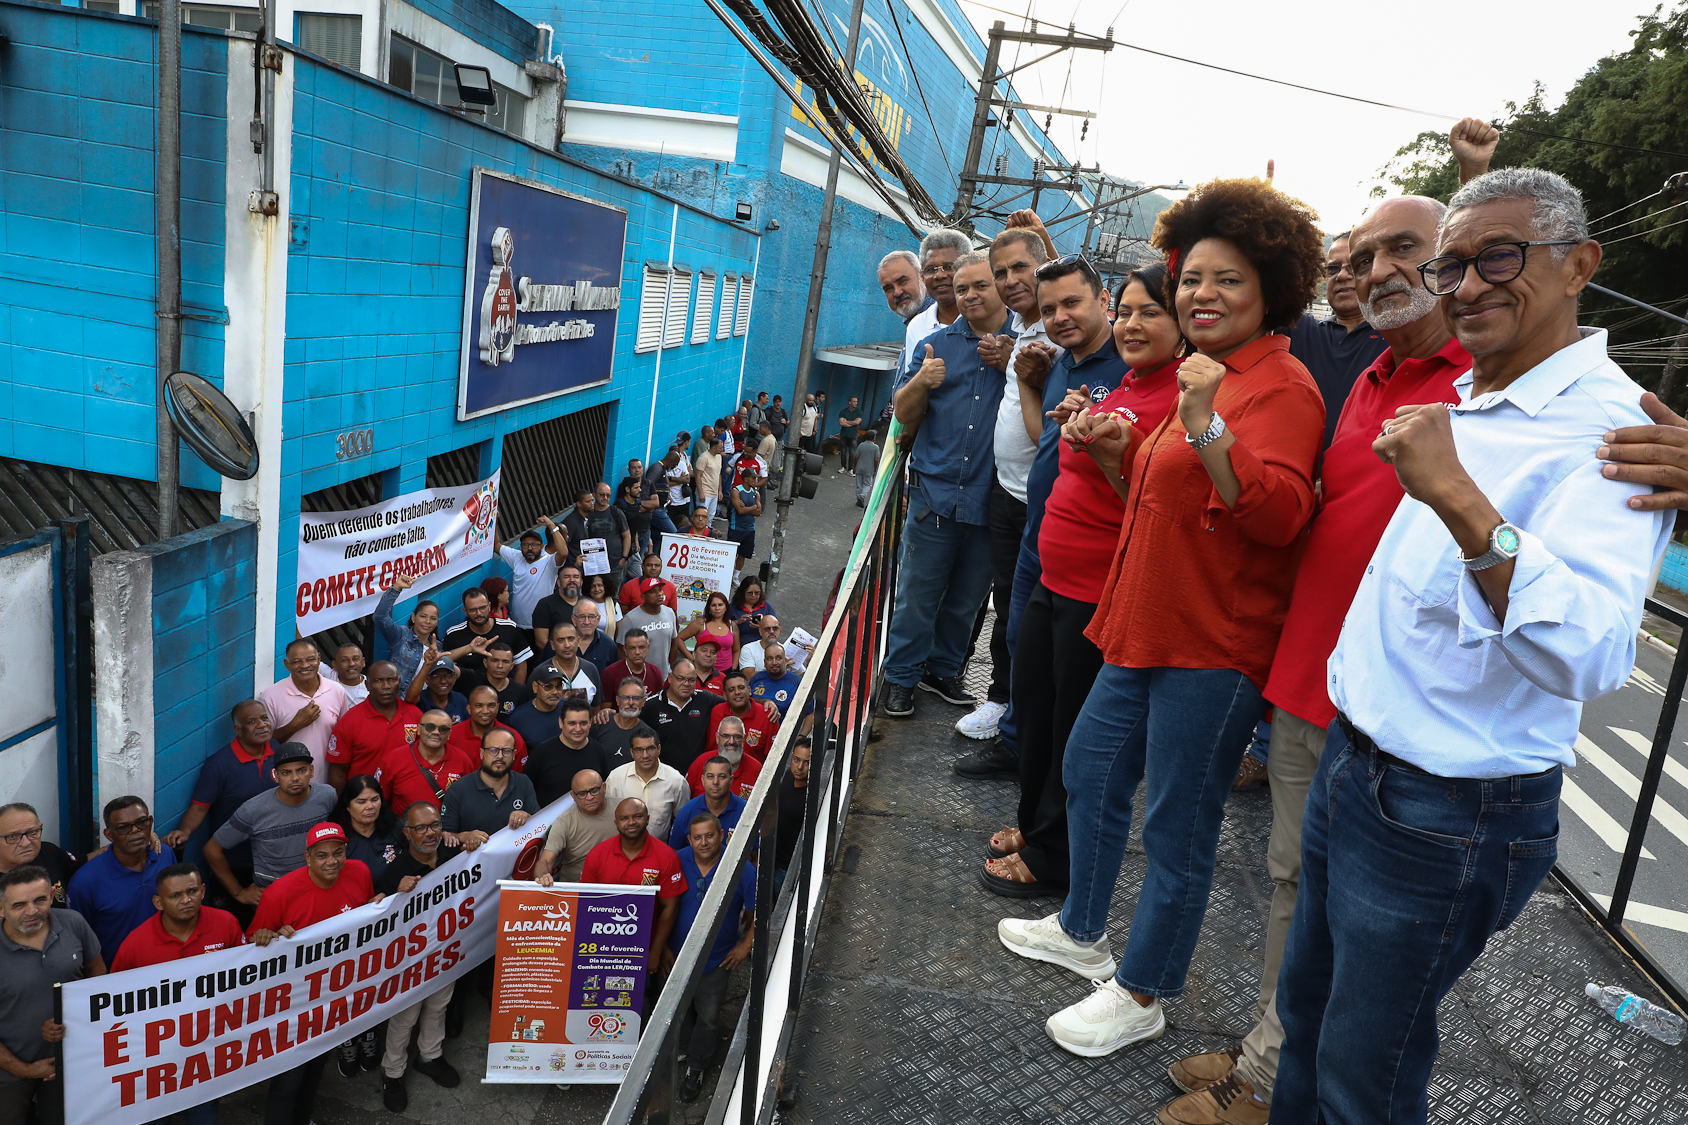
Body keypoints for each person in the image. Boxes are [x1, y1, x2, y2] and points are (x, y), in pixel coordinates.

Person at [1271, 168, 1672, 1125]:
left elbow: (1591, 655)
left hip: (1442, 813)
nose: (1470, 283)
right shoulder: (1467, 387)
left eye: (1501, 257)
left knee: (1364, 1074)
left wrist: (1458, 499)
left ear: (1581, 266)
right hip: (1354, 760)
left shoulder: (1611, 434)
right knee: (1306, 1018)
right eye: (1453, 266)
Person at [996, 178, 1327, 1060]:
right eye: (1191, 279)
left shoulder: (1279, 387)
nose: (1200, 296)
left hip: (1213, 646)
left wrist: (1207, 422)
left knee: (1178, 826)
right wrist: (1115, 455)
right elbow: (1158, 501)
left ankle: (1144, 989)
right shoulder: (1199, 378)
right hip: (1140, 623)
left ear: (1272, 289)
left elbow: (1282, 515)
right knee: (1087, 766)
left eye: (1227, 280)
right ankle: (1082, 930)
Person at [979, 263, 1183, 899]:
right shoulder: (1127, 382)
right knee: (1037, 711)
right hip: (1053, 572)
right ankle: (1032, 822)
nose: (1131, 324)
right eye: (1128, 312)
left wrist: (1103, 445)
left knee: (1072, 729)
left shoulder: (1181, 396)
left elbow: (1154, 504)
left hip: (1097, 588)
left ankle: (1056, 855)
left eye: (1150, 312)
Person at [882, 249, 1013, 718]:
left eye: (981, 285)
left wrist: (1014, 364)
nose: (971, 295)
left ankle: (943, 669)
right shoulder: (934, 346)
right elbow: (904, 415)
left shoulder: (1023, 346)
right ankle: (900, 679)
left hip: (990, 497)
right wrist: (921, 381)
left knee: (967, 600)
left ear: (999, 286)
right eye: (962, 289)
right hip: (933, 495)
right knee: (917, 595)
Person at [955, 219, 1050, 744]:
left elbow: (1069, 286)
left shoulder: (1055, 327)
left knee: (1028, 611)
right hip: (1006, 491)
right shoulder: (1021, 328)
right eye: (1001, 272)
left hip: (1042, 498)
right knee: (1007, 601)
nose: (1011, 280)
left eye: (1021, 268)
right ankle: (1002, 699)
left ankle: (1020, 714)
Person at [247, 823, 383, 1125]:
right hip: (293, 1002)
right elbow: (251, 945)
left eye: (338, 853)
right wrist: (269, 936)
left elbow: (367, 915)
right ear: (307, 858)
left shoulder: (359, 872)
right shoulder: (279, 894)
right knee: (288, 1080)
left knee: (316, 1067)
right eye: (322, 855)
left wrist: (380, 906)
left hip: (336, 995)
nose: (331, 861)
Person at [372, 802, 461, 1112]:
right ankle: (392, 1072)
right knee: (404, 1019)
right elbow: (377, 920)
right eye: (420, 828)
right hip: (409, 961)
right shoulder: (394, 873)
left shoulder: (453, 854)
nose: (429, 833)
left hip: (446, 953)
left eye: (435, 825)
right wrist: (396, 894)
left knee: (438, 1007)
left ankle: (430, 1056)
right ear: (406, 833)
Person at [0, 866, 105, 1125]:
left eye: (40, 900)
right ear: (0, 909)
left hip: (72, 1061)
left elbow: (98, 975)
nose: (32, 911)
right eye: (19, 905)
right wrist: (23, 1069)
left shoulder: (73, 922)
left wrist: (80, 1024)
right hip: (7, 1072)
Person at [670, 812, 755, 1101]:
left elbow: (760, 912)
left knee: (708, 1017)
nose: (704, 842)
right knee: (677, 1011)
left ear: (721, 835)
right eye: (697, 837)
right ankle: (683, 1049)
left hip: (716, 961)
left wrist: (745, 946)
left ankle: (697, 1067)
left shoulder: (743, 869)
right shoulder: (675, 860)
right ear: (688, 839)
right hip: (676, 957)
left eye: (710, 835)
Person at [161, 701, 280, 895]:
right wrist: (184, 832)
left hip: (271, 858)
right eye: (251, 721)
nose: (261, 724)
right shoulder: (218, 765)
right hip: (233, 862)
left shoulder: (276, 748)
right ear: (238, 730)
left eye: (264, 718)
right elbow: (199, 807)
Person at [205, 744, 336, 908]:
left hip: (318, 891)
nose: (295, 778)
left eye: (301, 770)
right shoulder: (253, 810)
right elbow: (212, 850)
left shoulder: (327, 796)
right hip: (275, 899)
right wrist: (239, 892)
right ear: (275, 775)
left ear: (311, 770)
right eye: (286, 773)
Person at [579, 799, 685, 977]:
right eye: (624, 818)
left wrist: (656, 951)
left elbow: (670, 907)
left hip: (644, 947)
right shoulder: (598, 854)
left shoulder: (666, 856)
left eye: (637, 816)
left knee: (640, 1002)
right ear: (616, 823)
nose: (631, 823)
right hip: (601, 947)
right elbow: (586, 903)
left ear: (648, 818)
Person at [67, 796, 176, 964]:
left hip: (169, 966)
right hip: (118, 977)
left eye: (142, 823)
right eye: (123, 828)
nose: (135, 831)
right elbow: (77, 940)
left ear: (151, 822)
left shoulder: (165, 855)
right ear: (109, 834)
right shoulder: (85, 881)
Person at [109, 863, 243, 971]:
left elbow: (247, 969)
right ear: (159, 903)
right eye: (175, 895)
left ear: (202, 892)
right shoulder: (134, 945)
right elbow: (117, 993)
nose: (186, 900)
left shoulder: (226, 923)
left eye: (192, 891)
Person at [260, 639, 350, 784]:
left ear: (319, 659)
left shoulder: (336, 690)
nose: (305, 666)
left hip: (328, 782)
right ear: (286, 664)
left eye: (310, 659)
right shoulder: (271, 696)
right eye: (296, 661)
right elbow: (265, 744)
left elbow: (344, 736)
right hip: (290, 786)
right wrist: (294, 725)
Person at [326, 662, 420, 790]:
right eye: (378, 681)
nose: (386, 686)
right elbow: (338, 773)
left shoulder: (415, 715)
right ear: (367, 685)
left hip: (404, 801)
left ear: (399, 682)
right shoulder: (350, 721)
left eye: (391, 680)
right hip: (366, 803)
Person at [442, 728, 536, 850]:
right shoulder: (458, 789)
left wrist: (527, 817)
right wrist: (465, 836)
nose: (500, 756)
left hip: (516, 864)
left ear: (514, 755)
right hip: (475, 866)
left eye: (506, 751)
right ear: (481, 753)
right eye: (493, 750)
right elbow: (445, 834)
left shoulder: (524, 782)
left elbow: (538, 825)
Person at [377, 710, 476, 813]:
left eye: (443, 729)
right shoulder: (393, 760)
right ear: (418, 730)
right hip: (405, 828)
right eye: (430, 727)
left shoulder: (462, 760)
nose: (436, 732)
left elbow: (468, 802)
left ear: (449, 734)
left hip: (447, 827)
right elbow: (380, 802)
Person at [641, 659, 727, 773]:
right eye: (681, 678)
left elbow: (732, 704)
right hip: (661, 776)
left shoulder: (705, 699)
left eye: (691, 680)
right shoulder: (650, 705)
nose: (686, 684)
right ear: (670, 678)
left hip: (696, 775)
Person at [605, 729, 689, 844]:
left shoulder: (676, 781)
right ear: (631, 752)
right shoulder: (615, 778)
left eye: (650, 749)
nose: (645, 755)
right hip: (621, 850)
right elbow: (608, 816)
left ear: (658, 749)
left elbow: (682, 822)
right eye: (639, 750)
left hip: (659, 853)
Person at [534, 771, 618, 885]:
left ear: (604, 787)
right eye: (582, 793)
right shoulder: (564, 822)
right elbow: (545, 860)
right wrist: (543, 877)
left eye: (594, 791)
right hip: (576, 889)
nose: (589, 797)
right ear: (573, 796)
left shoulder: (622, 810)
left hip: (617, 886)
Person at [441, 586, 528, 690]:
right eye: (473, 610)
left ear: (489, 606)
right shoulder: (453, 634)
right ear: (465, 611)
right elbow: (443, 664)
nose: (479, 613)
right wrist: (469, 648)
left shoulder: (509, 628)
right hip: (467, 697)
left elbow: (521, 666)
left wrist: (515, 694)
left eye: (482, 608)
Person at [525, 699, 608, 807]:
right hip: (550, 822)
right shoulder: (541, 753)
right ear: (561, 722)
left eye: (583, 723)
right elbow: (526, 791)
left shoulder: (599, 751)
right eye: (572, 723)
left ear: (590, 722)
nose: (578, 729)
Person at [496, 516, 568, 633]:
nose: (529, 548)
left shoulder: (549, 562)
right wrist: (496, 520)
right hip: (518, 624)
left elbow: (564, 552)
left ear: (542, 546)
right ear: (521, 547)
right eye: (525, 545)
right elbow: (496, 546)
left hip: (542, 626)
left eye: (534, 544)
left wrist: (551, 525)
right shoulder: (517, 557)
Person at [374, 570, 442, 690]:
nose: (427, 621)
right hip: (398, 700)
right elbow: (379, 617)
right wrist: (396, 588)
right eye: (423, 616)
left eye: (433, 618)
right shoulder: (401, 635)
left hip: (422, 703)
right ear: (414, 617)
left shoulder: (437, 647)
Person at [0, 804, 77, 908]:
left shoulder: (49, 852)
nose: (26, 843)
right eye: (12, 836)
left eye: (32, 832)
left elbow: (85, 864)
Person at [330, 774, 400, 888]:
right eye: (361, 802)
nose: (370, 806)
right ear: (348, 806)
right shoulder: (337, 837)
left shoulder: (395, 827)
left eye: (375, 799)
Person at [667, 757, 748, 848]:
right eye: (710, 777)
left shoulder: (746, 812)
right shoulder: (686, 812)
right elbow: (675, 851)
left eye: (721, 777)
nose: (715, 782)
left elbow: (755, 855)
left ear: (731, 780)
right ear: (703, 780)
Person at [448, 684, 529, 770]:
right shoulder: (451, 735)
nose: (485, 711)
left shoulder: (513, 738)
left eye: (491, 705)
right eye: (479, 706)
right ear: (469, 709)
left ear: (497, 708)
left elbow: (518, 776)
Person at [709, 667, 779, 760]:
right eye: (731, 689)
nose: (737, 692)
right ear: (725, 696)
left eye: (741, 688)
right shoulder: (716, 712)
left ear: (749, 690)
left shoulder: (768, 716)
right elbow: (711, 749)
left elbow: (774, 757)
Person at [684, 716, 761, 799]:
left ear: (744, 739)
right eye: (726, 736)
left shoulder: (756, 769)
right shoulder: (700, 762)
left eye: (737, 737)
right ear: (717, 738)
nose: (731, 741)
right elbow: (685, 801)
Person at [618, 579, 682, 680]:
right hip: (639, 677)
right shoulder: (631, 618)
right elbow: (621, 648)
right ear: (643, 597)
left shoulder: (670, 613)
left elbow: (674, 642)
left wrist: (671, 668)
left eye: (660, 590)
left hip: (664, 676)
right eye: (653, 591)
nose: (659, 594)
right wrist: (630, 673)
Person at [531, 620, 603, 705]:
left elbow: (595, 709)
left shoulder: (591, 669)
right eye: (561, 640)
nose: (567, 645)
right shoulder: (539, 672)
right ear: (552, 645)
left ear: (578, 641)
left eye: (571, 639)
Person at [772, 738, 812, 889]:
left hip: (787, 867)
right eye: (796, 760)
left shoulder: (812, 796)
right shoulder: (789, 775)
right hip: (772, 858)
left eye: (807, 762)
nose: (800, 767)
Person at [749, 642, 811, 734]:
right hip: (753, 735)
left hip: (781, 738)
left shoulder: (797, 683)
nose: (774, 662)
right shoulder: (757, 678)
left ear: (785, 661)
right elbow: (747, 702)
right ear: (764, 662)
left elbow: (810, 713)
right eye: (770, 659)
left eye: (778, 658)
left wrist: (801, 736)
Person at [505, 664, 568, 749]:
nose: (554, 692)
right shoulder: (517, 718)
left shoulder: (570, 709)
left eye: (558, 686)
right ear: (535, 687)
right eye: (548, 687)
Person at [531, 564, 585, 660]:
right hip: (555, 661)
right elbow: (541, 641)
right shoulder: (545, 604)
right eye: (567, 577)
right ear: (559, 582)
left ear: (581, 582)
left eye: (576, 577)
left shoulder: (587, 604)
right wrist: (565, 658)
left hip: (584, 659)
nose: (572, 580)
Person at [679, 590, 739, 673]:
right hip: (700, 670)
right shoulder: (700, 623)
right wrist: (691, 658)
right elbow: (679, 638)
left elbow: (736, 650)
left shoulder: (732, 626)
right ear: (709, 608)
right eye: (713, 605)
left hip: (726, 672)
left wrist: (733, 670)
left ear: (726, 607)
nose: (717, 608)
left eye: (720, 605)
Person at [640, 449, 685, 556]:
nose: (675, 466)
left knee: (657, 536)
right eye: (676, 464)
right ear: (672, 461)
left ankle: (653, 557)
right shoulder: (657, 468)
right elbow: (647, 485)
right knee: (673, 534)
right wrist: (650, 505)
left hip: (661, 508)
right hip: (657, 511)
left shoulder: (662, 469)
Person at [597, 679, 650, 769]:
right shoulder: (601, 722)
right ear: (617, 700)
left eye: (636, 698)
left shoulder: (647, 735)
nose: (630, 703)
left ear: (643, 702)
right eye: (625, 698)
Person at [406, 652, 470, 722]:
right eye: (436, 676)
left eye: (448, 675)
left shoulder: (461, 700)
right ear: (426, 679)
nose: (443, 681)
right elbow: (410, 699)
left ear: (454, 678)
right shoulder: (421, 700)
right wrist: (427, 664)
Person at [481, 640, 532, 718]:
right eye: (495, 660)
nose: (500, 665)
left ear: (512, 666)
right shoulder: (472, 679)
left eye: (505, 662)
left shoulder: (520, 691)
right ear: (485, 663)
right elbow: (455, 670)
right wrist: (470, 648)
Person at [605, 629, 665, 696]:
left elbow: (658, 702)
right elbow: (606, 706)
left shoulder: (656, 672)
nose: (637, 652)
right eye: (632, 648)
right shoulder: (610, 673)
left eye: (641, 647)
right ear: (625, 649)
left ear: (648, 647)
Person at [727, 466, 763, 576]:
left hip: (750, 529)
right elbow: (739, 511)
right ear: (746, 479)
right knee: (731, 554)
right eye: (753, 478)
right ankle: (727, 574)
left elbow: (758, 512)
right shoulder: (736, 491)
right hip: (736, 528)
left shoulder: (756, 493)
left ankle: (735, 576)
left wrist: (747, 508)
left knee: (743, 555)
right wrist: (752, 507)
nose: (755, 481)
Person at [727, 575, 777, 649]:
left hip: (763, 648)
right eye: (750, 593)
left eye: (757, 593)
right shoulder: (733, 607)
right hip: (738, 648)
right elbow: (722, 627)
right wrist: (737, 622)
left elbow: (777, 629)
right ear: (743, 592)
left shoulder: (766, 606)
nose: (753, 595)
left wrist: (762, 627)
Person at [575, 602, 621, 674]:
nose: (587, 622)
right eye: (582, 617)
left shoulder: (609, 645)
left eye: (591, 617)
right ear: (574, 620)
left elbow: (614, 676)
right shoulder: (562, 642)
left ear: (598, 620)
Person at [618, 475, 654, 562]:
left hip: (633, 547)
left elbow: (634, 525)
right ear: (627, 489)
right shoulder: (620, 505)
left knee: (639, 573)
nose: (640, 490)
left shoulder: (637, 502)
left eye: (639, 487)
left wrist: (636, 541)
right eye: (636, 488)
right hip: (621, 548)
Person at [583, 572, 621, 638]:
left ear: (606, 586)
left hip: (608, 645)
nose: (597, 589)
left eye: (600, 585)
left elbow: (619, 631)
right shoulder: (582, 604)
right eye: (593, 586)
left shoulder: (614, 605)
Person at [853, 427, 881, 507]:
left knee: (859, 484)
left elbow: (856, 457)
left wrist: (854, 467)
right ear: (873, 438)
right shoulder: (876, 447)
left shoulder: (861, 445)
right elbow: (876, 460)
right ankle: (862, 496)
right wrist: (875, 470)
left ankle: (859, 498)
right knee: (867, 484)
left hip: (859, 467)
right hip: (869, 469)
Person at [835, 396, 864, 473]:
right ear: (849, 402)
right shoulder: (843, 412)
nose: (856, 403)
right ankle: (843, 467)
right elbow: (841, 422)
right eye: (854, 401)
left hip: (853, 435)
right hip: (844, 434)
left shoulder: (859, 412)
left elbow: (857, 422)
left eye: (856, 401)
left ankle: (850, 469)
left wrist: (846, 421)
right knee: (843, 452)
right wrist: (853, 422)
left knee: (852, 453)